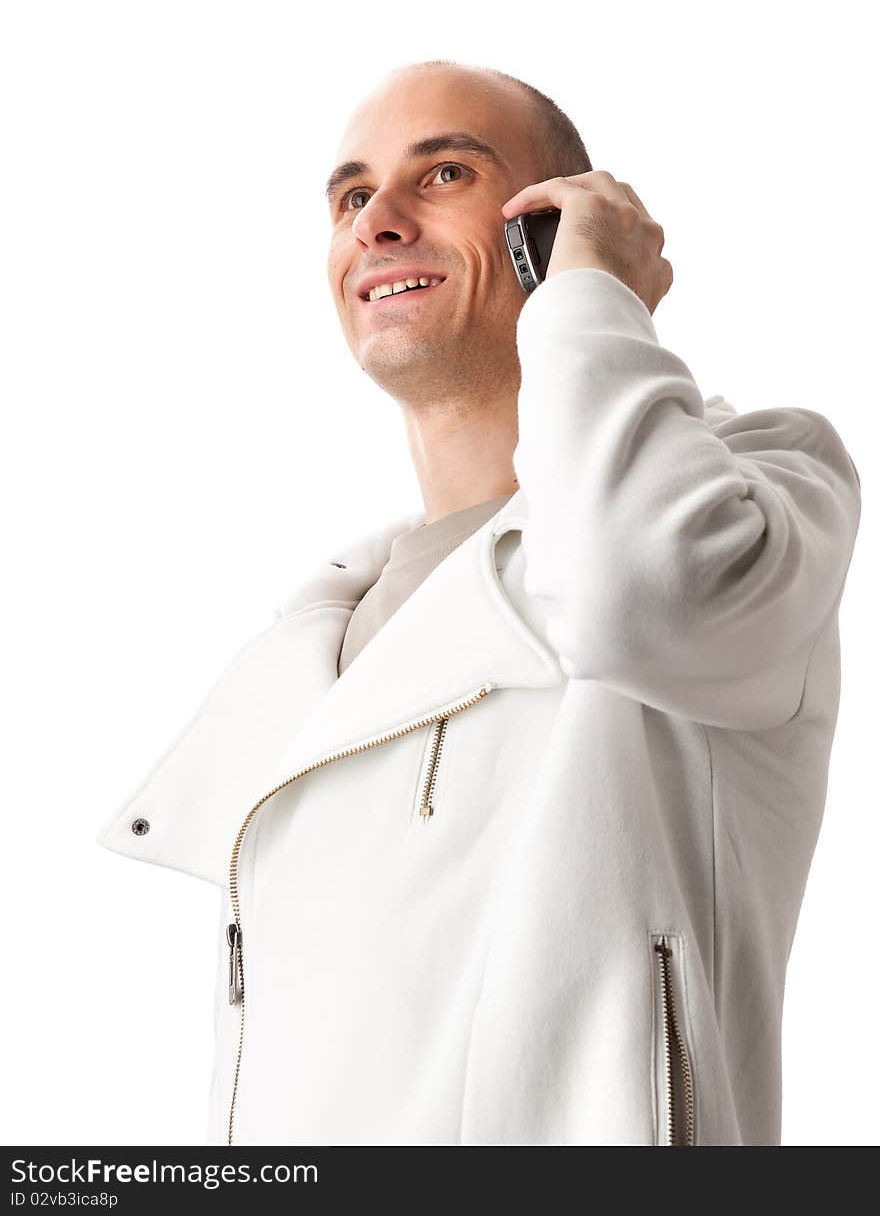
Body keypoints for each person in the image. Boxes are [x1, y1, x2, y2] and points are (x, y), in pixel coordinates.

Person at [96, 59, 861, 1147]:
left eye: (443, 171)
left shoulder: (754, 491)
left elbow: (633, 590)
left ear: (550, 226)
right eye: (351, 196)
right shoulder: (322, 632)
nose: (379, 222)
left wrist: (595, 294)